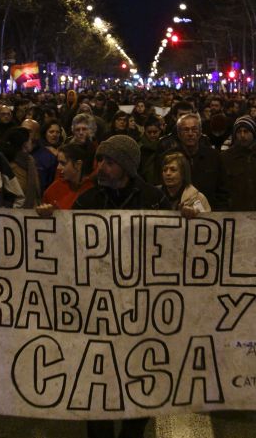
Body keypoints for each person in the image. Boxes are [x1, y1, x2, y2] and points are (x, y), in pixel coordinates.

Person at [72, 134, 162, 438]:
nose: (101, 168)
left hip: (141, 309)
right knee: (98, 382)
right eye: (100, 160)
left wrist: (188, 221)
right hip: (97, 310)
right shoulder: (87, 201)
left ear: (126, 166)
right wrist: (49, 223)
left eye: (109, 162)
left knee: (141, 377)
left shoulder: (154, 200)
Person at [222, 115, 256, 211]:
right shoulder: (226, 158)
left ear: (253, 133)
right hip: (236, 214)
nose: (242, 135)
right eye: (239, 132)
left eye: (246, 131)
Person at [36, 142, 96, 212]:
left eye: (63, 163)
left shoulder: (93, 191)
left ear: (78, 165)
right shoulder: (53, 189)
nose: (58, 167)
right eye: (58, 163)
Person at [0, 127, 41, 208]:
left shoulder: (30, 162)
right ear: (24, 144)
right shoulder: (9, 168)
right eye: (29, 139)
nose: (32, 142)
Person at [158, 151, 210, 217]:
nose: (168, 173)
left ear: (183, 173)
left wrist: (195, 214)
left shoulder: (198, 198)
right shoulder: (153, 194)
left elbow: (208, 222)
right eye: (165, 170)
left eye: (173, 170)